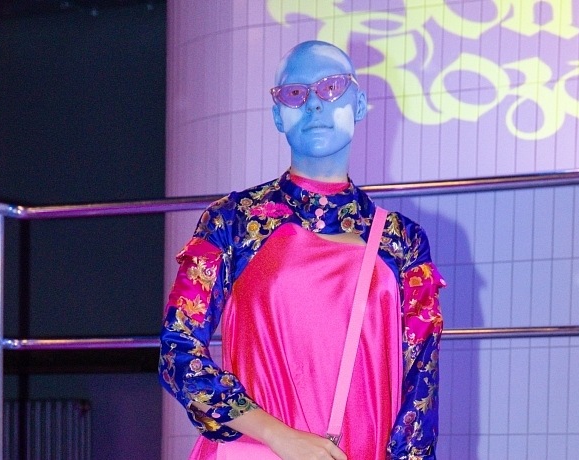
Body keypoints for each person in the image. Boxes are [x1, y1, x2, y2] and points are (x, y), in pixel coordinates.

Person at [159, 40, 445, 460]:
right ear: (278, 115)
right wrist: (278, 436)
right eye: (295, 93)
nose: (314, 103)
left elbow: (420, 390)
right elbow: (178, 352)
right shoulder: (232, 221)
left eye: (331, 87)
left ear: (359, 104)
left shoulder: (402, 241)